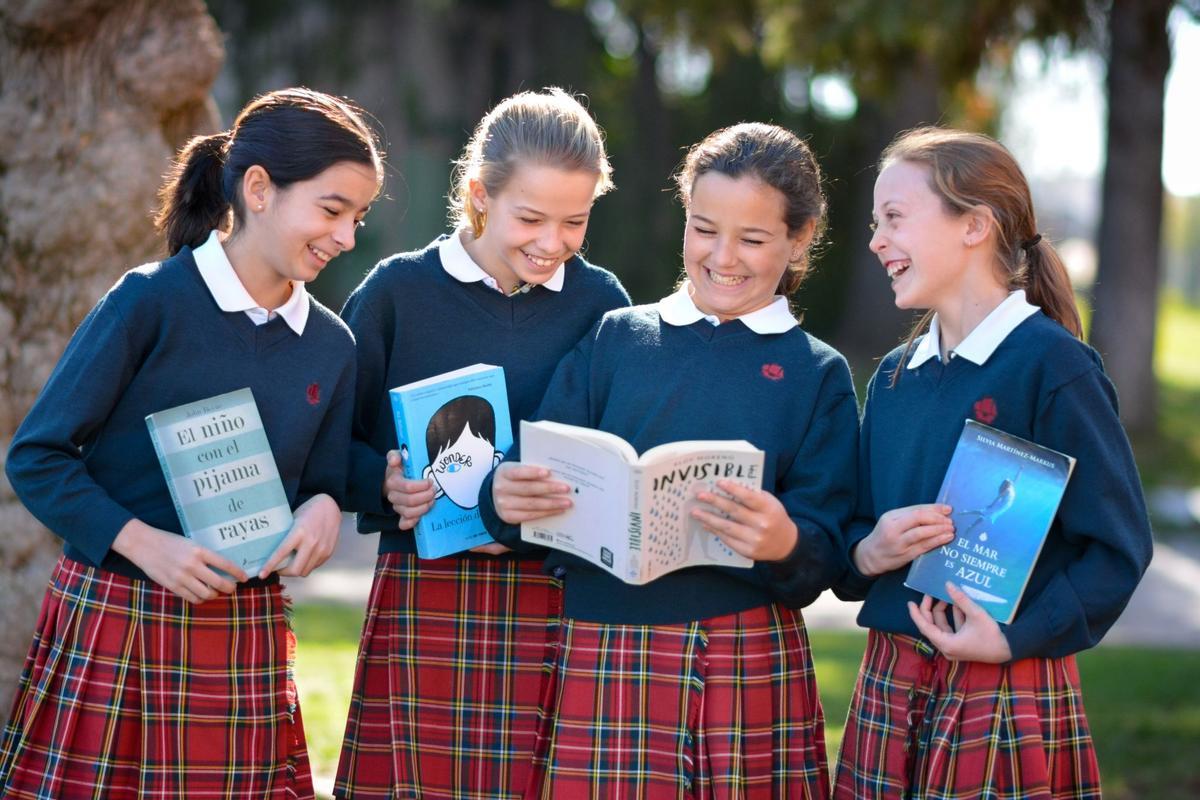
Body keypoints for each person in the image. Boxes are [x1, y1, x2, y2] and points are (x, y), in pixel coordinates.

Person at [0, 87, 383, 800]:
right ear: (259, 190)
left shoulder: (332, 345)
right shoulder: (148, 302)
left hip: (245, 633)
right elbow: (37, 457)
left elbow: (321, 480)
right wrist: (145, 544)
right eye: (332, 210)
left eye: (357, 217)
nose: (347, 237)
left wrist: (325, 508)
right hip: (118, 619)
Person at [481, 122, 858, 799]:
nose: (723, 256)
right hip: (604, 642)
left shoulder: (818, 373)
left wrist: (785, 541)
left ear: (800, 238)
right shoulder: (616, 338)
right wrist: (502, 497)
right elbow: (527, 474)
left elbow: (825, 550)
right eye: (704, 229)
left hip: (746, 650)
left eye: (752, 239)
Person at [832, 126, 1153, 800]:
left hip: (1004, 688)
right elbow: (853, 533)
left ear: (974, 225)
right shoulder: (893, 379)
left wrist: (1015, 638)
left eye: (894, 218)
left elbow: (1117, 549)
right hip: (889, 684)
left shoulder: (1054, 368)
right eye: (874, 223)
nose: (876, 241)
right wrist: (868, 551)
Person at [334, 88, 630, 799]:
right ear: (478, 195)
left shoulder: (603, 306)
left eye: (575, 221)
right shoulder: (396, 293)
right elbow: (330, 444)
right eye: (530, 218)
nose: (552, 242)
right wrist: (381, 482)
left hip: (555, 594)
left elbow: (616, 460)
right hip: (426, 592)